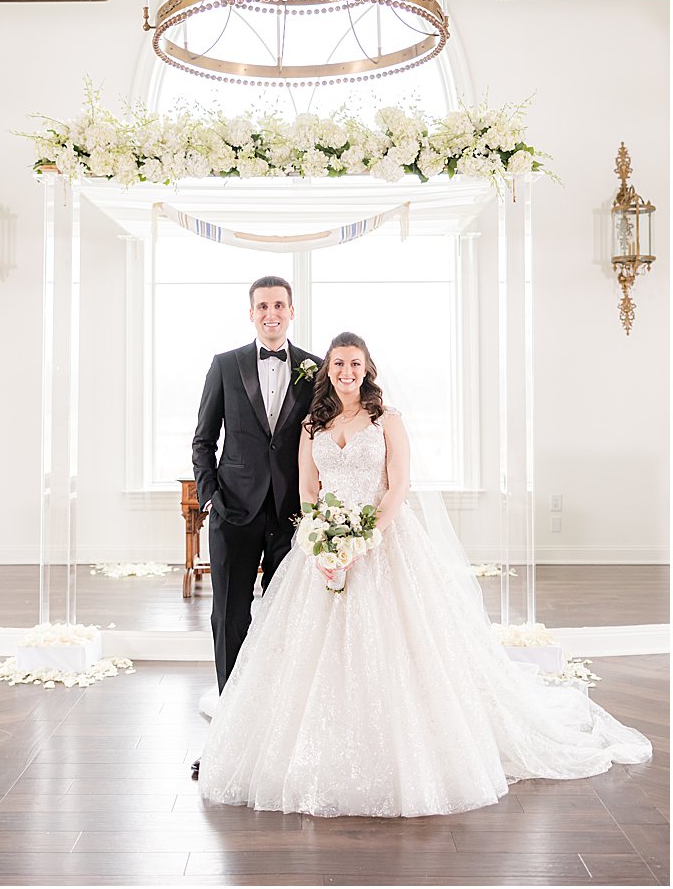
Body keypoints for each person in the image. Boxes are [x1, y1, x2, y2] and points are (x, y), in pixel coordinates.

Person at [199, 332, 652, 816]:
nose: (346, 372)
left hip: (385, 539)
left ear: (368, 368)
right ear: (327, 371)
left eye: (355, 364)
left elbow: (399, 487)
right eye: (337, 365)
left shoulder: (387, 420)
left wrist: (364, 536)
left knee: (399, 646)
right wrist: (322, 538)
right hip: (327, 541)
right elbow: (309, 488)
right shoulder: (313, 424)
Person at [190, 276, 319, 779]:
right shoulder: (225, 365)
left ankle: (281, 733)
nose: (271, 313)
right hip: (233, 513)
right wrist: (211, 499)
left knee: (288, 622)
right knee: (229, 619)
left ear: (292, 310)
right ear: (251, 313)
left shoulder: (314, 368)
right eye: (262, 306)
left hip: (292, 517)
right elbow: (203, 439)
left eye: (279, 305)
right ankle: (228, 736)